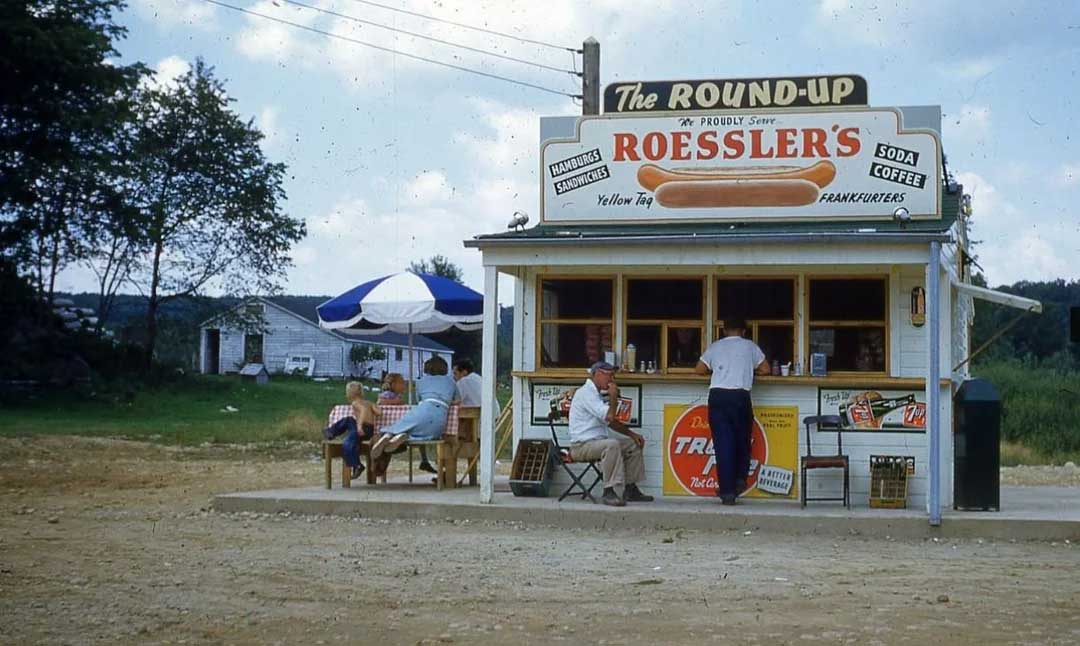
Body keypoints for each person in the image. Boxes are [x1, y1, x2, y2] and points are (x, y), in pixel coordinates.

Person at [695, 318, 770, 505]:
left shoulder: (716, 346)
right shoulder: (750, 347)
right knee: (742, 441)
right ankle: (739, 480)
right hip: (740, 396)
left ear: (724, 330)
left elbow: (699, 369)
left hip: (718, 396)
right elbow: (766, 368)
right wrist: (750, 371)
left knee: (723, 444)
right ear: (744, 331)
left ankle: (727, 492)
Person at [567, 360, 653, 507]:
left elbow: (611, 422)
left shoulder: (596, 394)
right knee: (611, 445)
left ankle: (630, 489)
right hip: (581, 446)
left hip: (595, 443)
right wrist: (613, 396)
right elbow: (610, 416)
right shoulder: (586, 393)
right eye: (610, 376)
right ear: (599, 374)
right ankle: (609, 491)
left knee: (633, 444)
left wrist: (632, 435)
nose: (612, 380)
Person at [370, 356, 457, 460]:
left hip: (424, 408)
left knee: (401, 425)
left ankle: (389, 435)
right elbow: (458, 401)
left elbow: (418, 400)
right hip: (440, 415)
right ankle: (403, 437)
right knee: (430, 435)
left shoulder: (421, 381)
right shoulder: (451, 382)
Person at [376, 371, 436, 474]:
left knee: (418, 429)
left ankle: (424, 460)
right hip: (391, 427)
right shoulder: (388, 395)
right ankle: (424, 460)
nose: (404, 384)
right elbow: (380, 402)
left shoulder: (396, 396)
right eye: (402, 382)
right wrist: (395, 402)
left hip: (399, 426)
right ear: (393, 384)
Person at [322, 381, 380, 480]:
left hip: (363, 428)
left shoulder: (355, 403)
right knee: (349, 421)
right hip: (369, 430)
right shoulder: (369, 403)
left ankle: (357, 465)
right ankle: (331, 432)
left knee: (347, 444)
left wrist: (359, 426)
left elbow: (363, 411)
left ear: (349, 394)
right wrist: (376, 404)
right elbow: (379, 412)